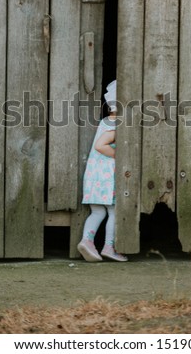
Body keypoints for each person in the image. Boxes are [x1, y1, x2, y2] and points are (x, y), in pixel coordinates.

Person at [77, 80, 128, 262]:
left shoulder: (106, 121)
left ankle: (87, 241)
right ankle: (109, 247)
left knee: (97, 212)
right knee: (114, 212)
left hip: (95, 176)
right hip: (107, 177)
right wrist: (118, 156)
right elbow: (100, 145)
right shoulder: (116, 124)